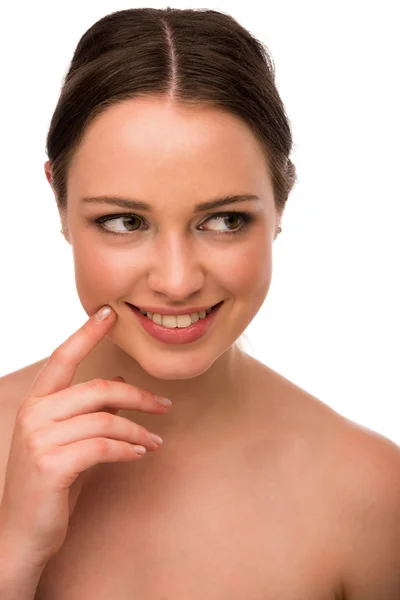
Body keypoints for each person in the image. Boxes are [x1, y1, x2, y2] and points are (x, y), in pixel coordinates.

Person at [0, 7, 399, 600]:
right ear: (59, 204)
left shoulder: (371, 492)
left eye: (224, 219)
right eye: (124, 220)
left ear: (280, 205)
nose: (178, 280)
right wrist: (12, 557)